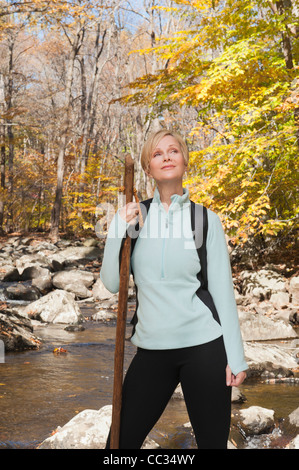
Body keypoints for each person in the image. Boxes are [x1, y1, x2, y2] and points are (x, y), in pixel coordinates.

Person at [100, 129, 248, 449]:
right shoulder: (136, 217)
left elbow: (222, 292)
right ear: (148, 167)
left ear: (184, 161)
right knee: (119, 447)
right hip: (152, 351)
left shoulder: (204, 220)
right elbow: (113, 283)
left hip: (205, 347)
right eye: (157, 153)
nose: (166, 157)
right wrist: (116, 228)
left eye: (173, 151)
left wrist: (236, 357)